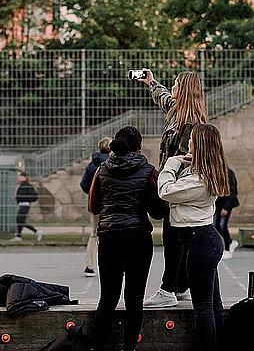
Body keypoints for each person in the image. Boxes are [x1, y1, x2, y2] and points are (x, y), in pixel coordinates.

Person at [88, 126, 164, 351]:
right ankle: (129, 347)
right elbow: (158, 212)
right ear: (139, 147)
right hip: (137, 238)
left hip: (109, 238)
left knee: (108, 298)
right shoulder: (149, 171)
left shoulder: (101, 169)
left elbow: (94, 206)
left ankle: (98, 346)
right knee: (134, 299)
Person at [157, 123, 229, 351]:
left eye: (192, 139)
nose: (187, 141)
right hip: (203, 240)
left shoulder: (199, 180)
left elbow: (165, 191)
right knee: (214, 306)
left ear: (199, 145)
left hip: (200, 242)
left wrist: (171, 164)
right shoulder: (204, 171)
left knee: (203, 309)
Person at [141, 69, 208, 307]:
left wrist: (169, 183)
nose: (173, 88)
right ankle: (181, 285)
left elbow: (188, 160)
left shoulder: (191, 124)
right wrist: (151, 82)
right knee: (177, 235)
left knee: (173, 237)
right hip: (172, 183)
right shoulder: (177, 112)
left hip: (179, 187)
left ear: (185, 90)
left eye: (176, 84)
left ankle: (168, 289)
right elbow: (165, 98)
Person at [79, 136, 112, 277]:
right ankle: (110, 266)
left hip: (95, 204)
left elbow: (84, 184)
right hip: (110, 204)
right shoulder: (112, 164)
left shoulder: (91, 165)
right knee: (111, 235)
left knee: (94, 234)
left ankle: (89, 266)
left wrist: (92, 194)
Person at [214, 167, 239, 259]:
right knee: (215, 225)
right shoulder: (215, 173)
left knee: (222, 225)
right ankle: (231, 242)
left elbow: (233, 192)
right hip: (218, 204)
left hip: (226, 204)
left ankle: (227, 249)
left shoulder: (228, 173)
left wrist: (226, 208)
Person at [10, 172, 41, 242]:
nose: (19, 178)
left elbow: (33, 196)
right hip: (22, 204)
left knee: (20, 221)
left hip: (25, 205)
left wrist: (24, 199)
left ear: (24, 178)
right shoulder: (21, 185)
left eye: (21, 177)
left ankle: (36, 231)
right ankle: (19, 236)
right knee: (20, 220)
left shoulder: (25, 185)